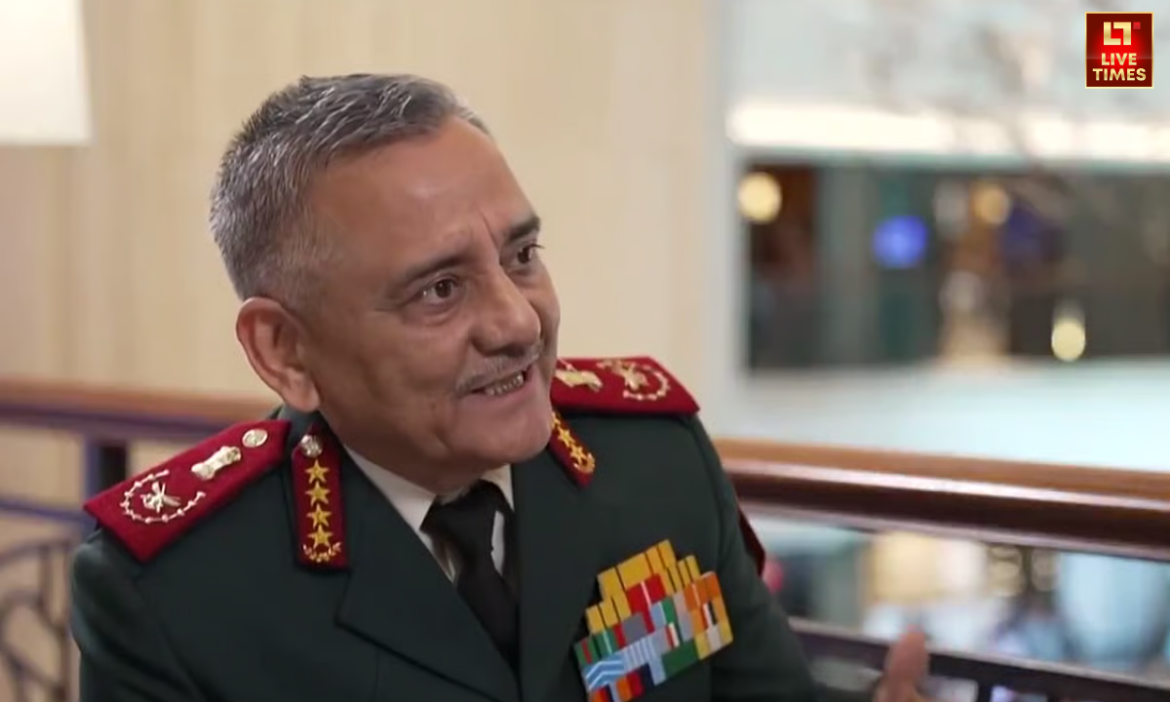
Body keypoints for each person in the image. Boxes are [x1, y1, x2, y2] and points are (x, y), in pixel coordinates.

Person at [70, 73, 930, 702]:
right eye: (439, 289)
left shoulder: (653, 461)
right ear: (285, 350)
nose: (519, 322)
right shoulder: (175, 592)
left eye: (522, 256)